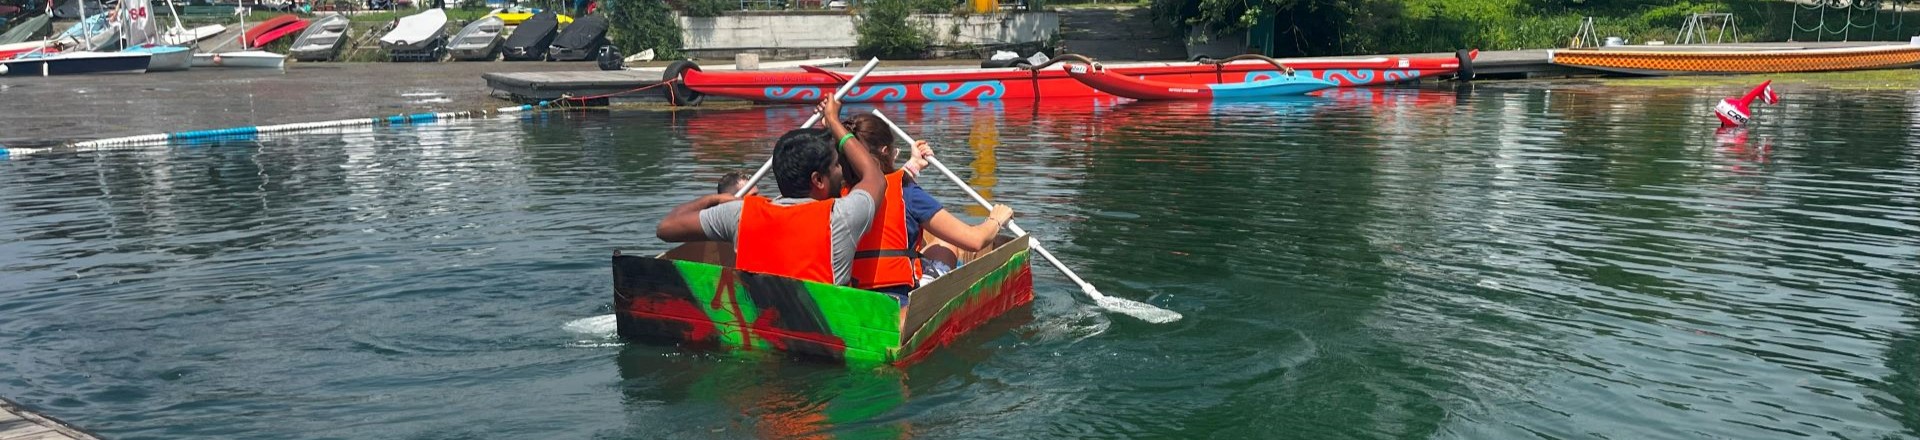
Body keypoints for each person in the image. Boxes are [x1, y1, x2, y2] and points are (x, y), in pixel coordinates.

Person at [654, 99, 888, 286]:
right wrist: (834, 121)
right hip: (823, 336)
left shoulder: (739, 214)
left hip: (759, 332)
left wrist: (713, 199)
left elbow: (666, 227)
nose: (842, 171)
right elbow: (874, 176)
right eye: (837, 166)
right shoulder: (842, 216)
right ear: (817, 180)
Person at [838, 114, 1013, 291]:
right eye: (894, 152)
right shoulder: (908, 194)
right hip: (900, 295)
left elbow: (881, 184)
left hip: (856, 293)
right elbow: (975, 241)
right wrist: (996, 220)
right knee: (945, 245)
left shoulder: (837, 195)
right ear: (885, 152)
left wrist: (914, 164)